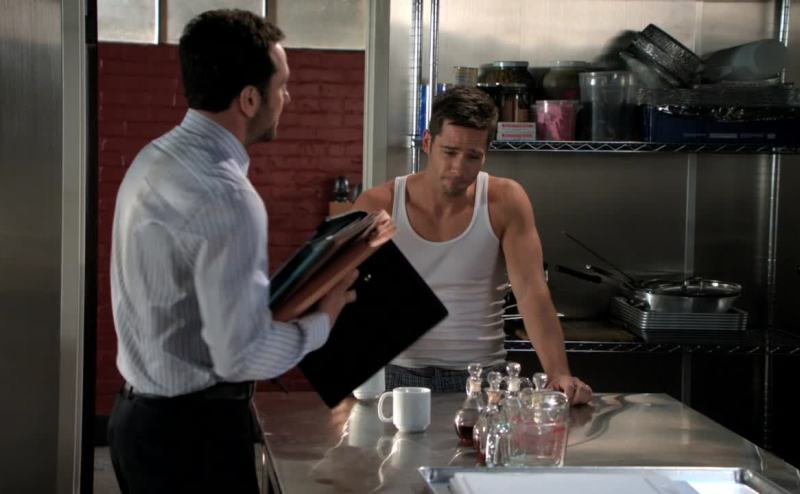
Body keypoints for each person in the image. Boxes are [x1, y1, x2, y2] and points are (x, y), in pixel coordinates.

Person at [107, 10, 392, 494]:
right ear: (250, 99)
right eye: (283, 86)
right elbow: (241, 356)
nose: (288, 98)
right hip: (192, 437)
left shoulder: (154, 157)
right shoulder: (227, 196)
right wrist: (323, 317)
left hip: (137, 422)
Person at [354, 86, 592, 404]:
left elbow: (531, 291)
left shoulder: (505, 201)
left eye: (472, 157)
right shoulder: (379, 205)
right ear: (428, 143)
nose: (458, 168)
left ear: (486, 154)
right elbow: (352, 299)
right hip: (396, 375)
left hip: (482, 377)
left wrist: (558, 373)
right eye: (449, 152)